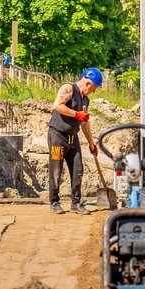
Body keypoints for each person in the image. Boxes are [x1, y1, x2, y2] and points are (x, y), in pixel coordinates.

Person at [48, 67, 102, 215]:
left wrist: (91, 143)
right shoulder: (69, 88)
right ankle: (54, 202)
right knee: (56, 170)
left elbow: (84, 123)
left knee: (78, 170)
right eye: (94, 88)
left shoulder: (85, 100)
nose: (94, 91)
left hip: (73, 137)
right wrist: (76, 114)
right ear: (88, 83)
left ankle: (76, 203)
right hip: (57, 135)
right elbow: (57, 105)